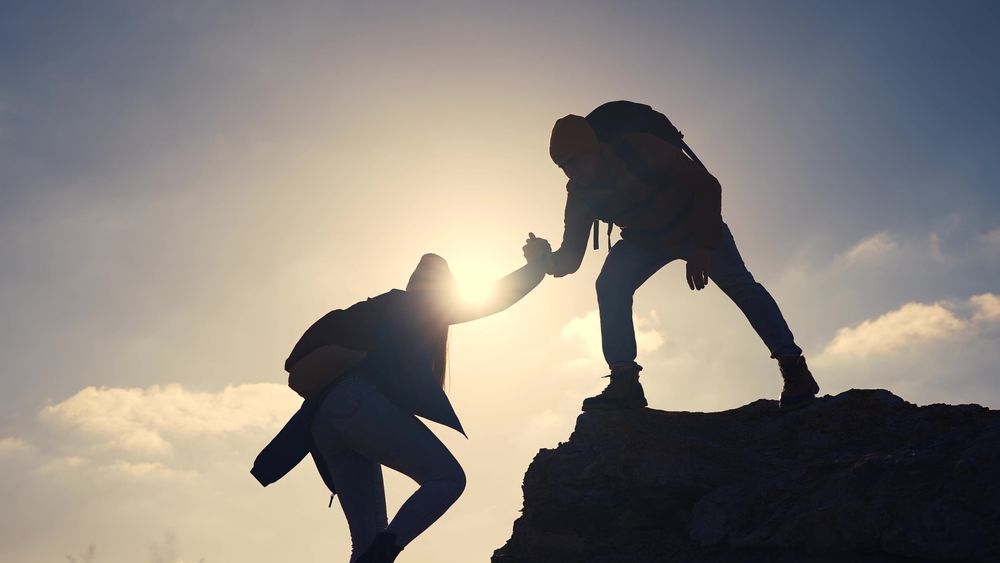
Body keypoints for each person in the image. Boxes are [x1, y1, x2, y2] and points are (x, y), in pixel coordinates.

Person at [252, 238, 552, 563]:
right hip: (356, 402)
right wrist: (537, 265)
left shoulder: (382, 310)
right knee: (447, 479)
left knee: (365, 542)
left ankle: (376, 553)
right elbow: (496, 298)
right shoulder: (418, 306)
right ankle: (386, 552)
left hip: (323, 422)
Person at [536, 109, 819, 411]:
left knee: (741, 285)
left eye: (574, 159)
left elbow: (707, 185)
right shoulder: (580, 196)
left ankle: (793, 367)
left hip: (694, 224)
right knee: (610, 285)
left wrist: (703, 247)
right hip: (644, 240)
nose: (570, 170)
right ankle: (625, 381)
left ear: (591, 149)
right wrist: (544, 260)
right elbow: (570, 258)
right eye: (563, 165)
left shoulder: (638, 149)